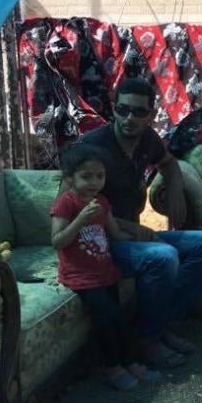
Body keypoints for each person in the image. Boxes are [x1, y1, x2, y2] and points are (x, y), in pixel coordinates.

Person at [80, 78, 202, 369]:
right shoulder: (93, 147)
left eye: (138, 112)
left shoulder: (147, 140)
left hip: (129, 236)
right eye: (123, 110)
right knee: (163, 256)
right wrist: (136, 230)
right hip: (99, 242)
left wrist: (177, 193)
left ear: (151, 115)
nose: (129, 118)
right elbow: (78, 208)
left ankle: (162, 325)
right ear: (113, 109)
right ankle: (147, 339)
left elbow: (168, 164)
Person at [50, 145, 161, 389]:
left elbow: (116, 233)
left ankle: (129, 361)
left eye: (99, 176)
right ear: (69, 178)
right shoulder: (65, 204)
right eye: (86, 176)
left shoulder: (101, 201)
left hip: (105, 272)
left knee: (119, 318)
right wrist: (80, 220)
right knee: (108, 319)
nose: (94, 182)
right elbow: (57, 240)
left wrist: (140, 237)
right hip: (80, 277)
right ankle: (111, 367)